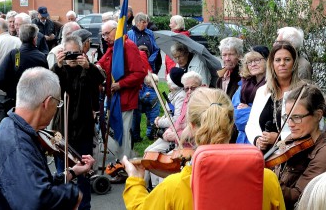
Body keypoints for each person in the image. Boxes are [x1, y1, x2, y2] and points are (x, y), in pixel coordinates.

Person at [122, 87, 286, 210]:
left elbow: (140, 207)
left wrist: (135, 180)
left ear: (192, 127)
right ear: (231, 124)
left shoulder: (174, 187)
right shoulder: (267, 180)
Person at [0, 67, 95, 210]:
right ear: (48, 102)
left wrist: (72, 172)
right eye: (58, 103)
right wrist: (73, 194)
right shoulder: (17, 146)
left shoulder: (13, 127)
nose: (57, 108)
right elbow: (36, 201)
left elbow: (33, 183)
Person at [51, 36, 105, 210]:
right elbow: (50, 85)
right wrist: (58, 65)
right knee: (62, 174)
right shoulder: (60, 69)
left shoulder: (88, 69)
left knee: (83, 174)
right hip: (63, 130)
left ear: (82, 52)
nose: (72, 58)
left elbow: (100, 80)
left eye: (75, 53)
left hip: (83, 129)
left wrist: (88, 66)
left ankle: (84, 206)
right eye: (68, 53)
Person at [97, 20, 146, 182]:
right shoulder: (115, 47)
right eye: (102, 34)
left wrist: (120, 84)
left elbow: (139, 72)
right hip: (114, 99)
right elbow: (103, 63)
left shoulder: (128, 46)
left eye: (107, 33)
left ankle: (125, 169)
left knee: (123, 136)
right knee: (118, 135)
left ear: (115, 30)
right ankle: (121, 165)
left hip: (125, 99)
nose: (104, 37)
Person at [271, 84, 326, 210]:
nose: (290, 124)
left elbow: (298, 197)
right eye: (287, 117)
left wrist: (268, 179)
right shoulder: (292, 138)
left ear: (318, 115)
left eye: (296, 117)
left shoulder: (323, 152)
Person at [246, 42, 302, 150]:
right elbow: (251, 124)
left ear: (294, 63)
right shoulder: (263, 91)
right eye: (277, 60)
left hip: (293, 156)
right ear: (272, 64)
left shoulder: (304, 92)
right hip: (266, 156)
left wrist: (279, 138)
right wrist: (257, 139)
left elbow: (313, 128)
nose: (282, 63)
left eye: (287, 59)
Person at [0, 24, 49, 105]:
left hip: (17, 100)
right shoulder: (41, 57)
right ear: (35, 39)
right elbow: (46, 81)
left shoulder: (14, 54)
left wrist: (11, 90)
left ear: (20, 38)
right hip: (36, 100)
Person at [233, 45, 269, 144]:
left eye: (257, 60)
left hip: (261, 140)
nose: (253, 64)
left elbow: (265, 118)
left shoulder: (272, 85)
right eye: (249, 62)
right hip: (243, 140)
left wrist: (249, 109)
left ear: (267, 61)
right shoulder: (243, 85)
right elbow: (236, 117)